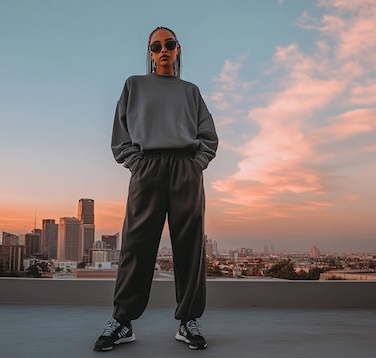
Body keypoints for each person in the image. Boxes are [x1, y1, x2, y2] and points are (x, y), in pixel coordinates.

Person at [93, 26, 218, 351]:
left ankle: (188, 321)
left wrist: (195, 164)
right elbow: (120, 136)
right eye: (156, 45)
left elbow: (209, 136)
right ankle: (122, 321)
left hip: (185, 168)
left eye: (170, 44)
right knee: (136, 244)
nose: (163, 49)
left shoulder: (190, 91)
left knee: (189, 246)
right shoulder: (134, 86)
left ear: (178, 49)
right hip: (147, 167)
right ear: (150, 53)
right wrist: (137, 163)